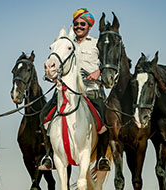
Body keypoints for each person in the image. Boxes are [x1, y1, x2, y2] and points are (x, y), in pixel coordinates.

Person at [38, 8, 110, 171]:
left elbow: (106, 64)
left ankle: (101, 158)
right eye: (76, 24)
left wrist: (98, 72)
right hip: (66, 91)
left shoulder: (96, 43)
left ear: (89, 26)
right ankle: (50, 155)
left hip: (91, 90)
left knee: (106, 118)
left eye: (82, 24)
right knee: (44, 115)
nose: (79, 26)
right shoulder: (66, 43)